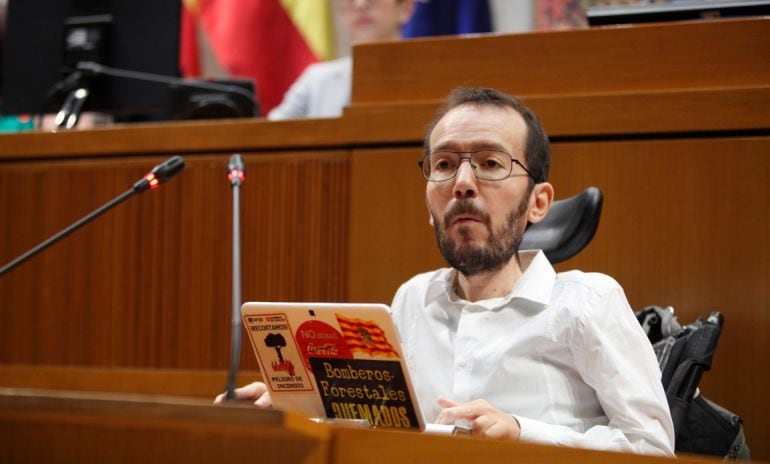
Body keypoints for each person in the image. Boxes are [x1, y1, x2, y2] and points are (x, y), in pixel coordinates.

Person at [217, 86, 675, 457]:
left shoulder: (586, 303)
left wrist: (521, 431)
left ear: (538, 202)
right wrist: (284, 413)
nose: (462, 183)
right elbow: (377, 426)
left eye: (490, 163)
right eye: (444, 164)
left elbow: (653, 448)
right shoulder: (412, 301)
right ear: (428, 203)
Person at [267, 0, 414, 120]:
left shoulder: (429, 75)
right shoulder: (315, 80)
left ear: (405, 8)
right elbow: (267, 135)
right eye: (350, 0)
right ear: (343, 11)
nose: (360, 4)